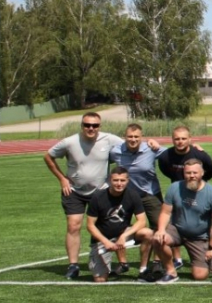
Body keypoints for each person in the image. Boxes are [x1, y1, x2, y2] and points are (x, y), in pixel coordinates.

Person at [45, 112, 125, 280]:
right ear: (81, 126)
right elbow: (48, 156)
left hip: (101, 191)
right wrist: (62, 179)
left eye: (95, 125)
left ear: (99, 126)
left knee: (109, 227)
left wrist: (152, 145)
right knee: (74, 226)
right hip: (74, 191)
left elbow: (132, 145)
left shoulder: (109, 139)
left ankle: (114, 263)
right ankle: (73, 265)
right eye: (87, 125)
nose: (91, 128)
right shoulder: (69, 142)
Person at [148, 157, 212, 283]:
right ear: (184, 173)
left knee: (200, 276)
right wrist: (161, 230)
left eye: (195, 173)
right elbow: (166, 212)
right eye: (188, 173)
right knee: (158, 238)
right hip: (177, 230)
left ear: (202, 173)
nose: (192, 176)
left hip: (199, 237)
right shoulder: (174, 188)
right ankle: (171, 272)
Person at [109, 123, 165, 278]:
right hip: (125, 195)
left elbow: (176, 154)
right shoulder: (116, 151)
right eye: (130, 136)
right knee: (119, 226)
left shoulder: (151, 149)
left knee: (159, 226)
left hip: (150, 193)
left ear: (142, 137)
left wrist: (196, 148)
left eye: (136, 137)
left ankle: (157, 262)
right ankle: (122, 263)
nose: (133, 139)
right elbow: (99, 161)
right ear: (124, 137)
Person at [84, 165, 152, 282]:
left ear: (127, 181)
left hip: (123, 233)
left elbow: (142, 221)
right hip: (102, 239)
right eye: (115, 180)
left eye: (122, 180)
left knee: (148, 233)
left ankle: (143, 270)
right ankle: (109, 266)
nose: (119, 183)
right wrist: (105, 242)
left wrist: (124, 236)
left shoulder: (133, 195)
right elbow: (90, 225)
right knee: (100, 280)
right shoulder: (98, 197)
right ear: (110, 180)